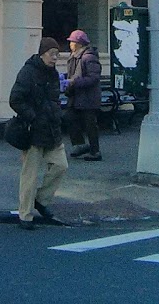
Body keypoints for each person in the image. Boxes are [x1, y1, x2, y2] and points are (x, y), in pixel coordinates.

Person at [9, 36, 67, 227]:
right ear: (42, 54)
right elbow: (15, 99)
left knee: (61, 166)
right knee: (30, 176)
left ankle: (40, 200)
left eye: (57, 54)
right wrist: (33, 117)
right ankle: (25, 215)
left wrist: (57, 116)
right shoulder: (28, 72)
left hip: (52, 129)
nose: (55, 58)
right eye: (52, 54)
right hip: (34, 131)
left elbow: (55, 100)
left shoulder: (52, 74)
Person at [66, 29, 103, 161]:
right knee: (70, 118)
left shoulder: (88, 57)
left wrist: (74, 82)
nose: (70, 44)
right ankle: (81, 145)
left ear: (79, 43)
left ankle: (95, 151)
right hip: (77, 96)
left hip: (88, 97)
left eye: (73, 42)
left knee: (89, 124)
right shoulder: (75, 56)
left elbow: (93, 78)